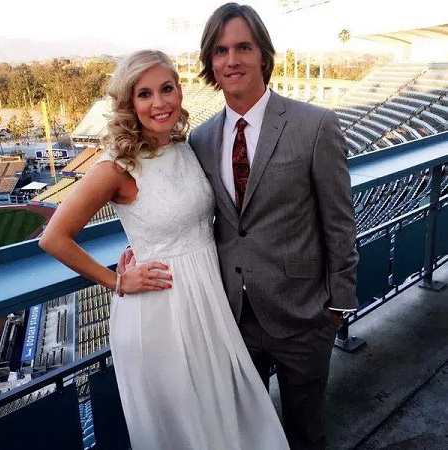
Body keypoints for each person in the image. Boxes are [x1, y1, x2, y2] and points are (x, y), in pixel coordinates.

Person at [121, 4, 358, 449]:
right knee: (242, 435)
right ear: (210, 63)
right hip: (228, 319)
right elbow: (185, 210)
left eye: (243, 47)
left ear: (263, 53)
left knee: (307, 434)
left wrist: (337, 307)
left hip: (304, 318)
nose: (232, 60)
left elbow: (340, 224)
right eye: (221, 50)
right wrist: (136, 249)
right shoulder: (201, 139)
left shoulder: (315, 125)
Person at [39, 50, 289, 450]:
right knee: (187, 425)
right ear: (129, 103)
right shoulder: (115, 167)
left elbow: (175, 215)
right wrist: (117, 280)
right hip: (163, 310)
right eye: (144, 94)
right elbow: (53, 238)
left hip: (208, 299)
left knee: (222, 413)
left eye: (167, 89)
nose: (159, 102)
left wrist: (140, 239)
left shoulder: (184, 147)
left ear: (179, 91)